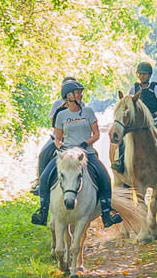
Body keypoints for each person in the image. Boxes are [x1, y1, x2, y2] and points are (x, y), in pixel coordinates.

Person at [31, 78, 122, 228]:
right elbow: (57, 138)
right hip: (67, 154)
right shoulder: (61, 115)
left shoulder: (88, 112)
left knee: (105, 177)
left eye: (81, 92)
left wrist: (85, 144)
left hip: (87, 154)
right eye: (77, 92)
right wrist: (61, 148)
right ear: (69, 95)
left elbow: (96, 134)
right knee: (46, 176)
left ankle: (107, 213)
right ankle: (43, 211)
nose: (80, 94)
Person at [112, 60, 157, 174]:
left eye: (144, 74)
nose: (142, 76)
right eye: (140, 74)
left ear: (149, 75)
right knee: (124, 138)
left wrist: (153, 115)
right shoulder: (134, 89)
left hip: (154, 121)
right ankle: (121, 161)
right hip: (138, 123)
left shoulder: (155, 88)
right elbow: (128, 105)